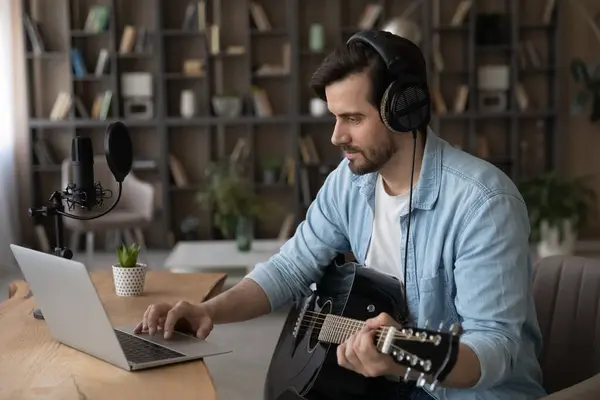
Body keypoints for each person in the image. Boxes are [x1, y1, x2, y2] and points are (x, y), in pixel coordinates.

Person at [135, 30, 547, 399]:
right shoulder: (349, 183)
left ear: (404, 111)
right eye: (335, 117)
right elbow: (291, 269)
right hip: (381, 384)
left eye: (353, 118)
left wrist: (403, 357)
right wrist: (209, 311)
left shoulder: (483, 204)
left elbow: (495, 349)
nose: (336, 136)